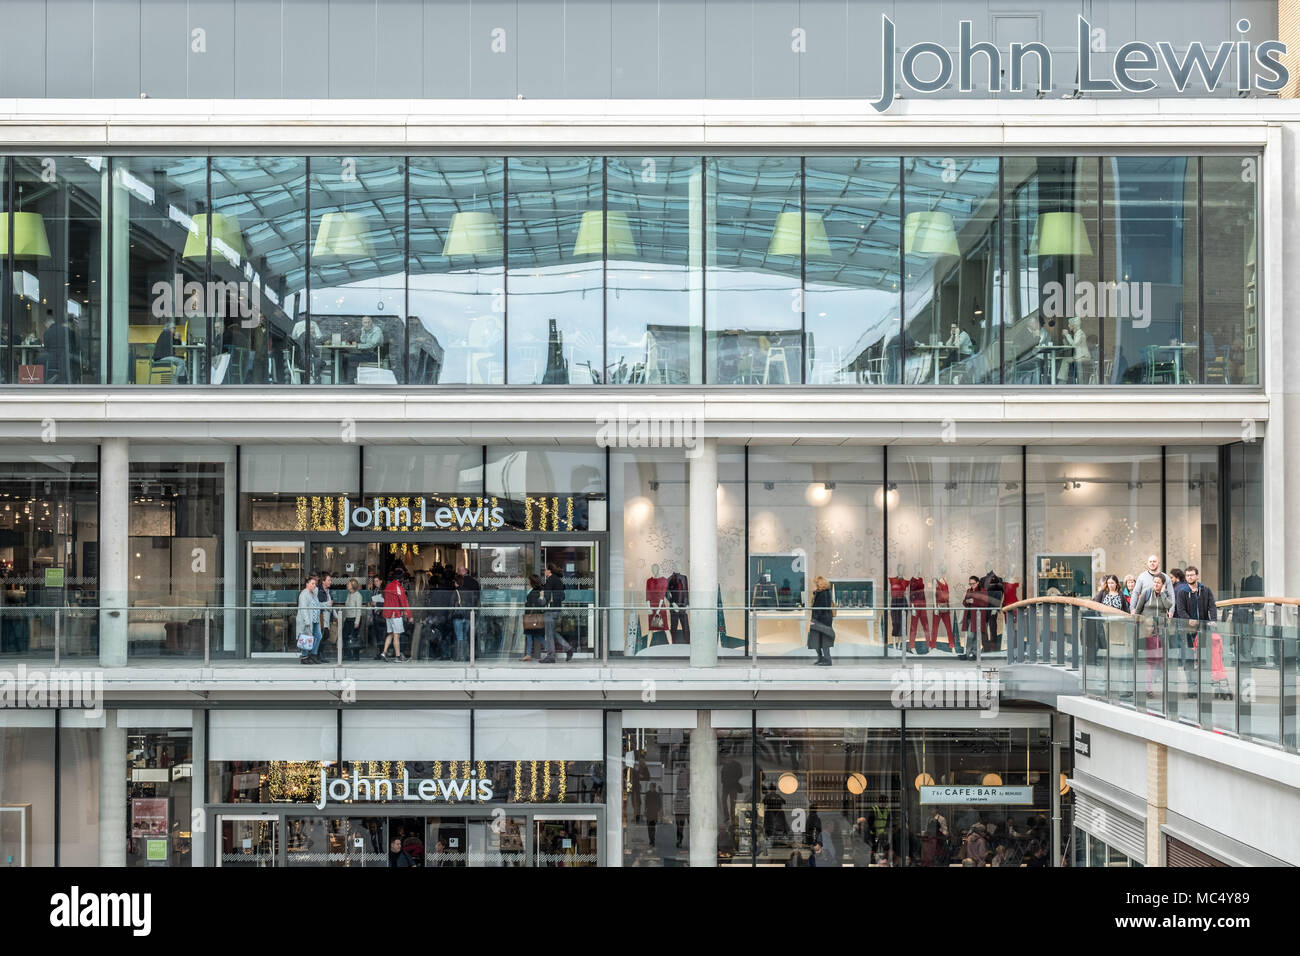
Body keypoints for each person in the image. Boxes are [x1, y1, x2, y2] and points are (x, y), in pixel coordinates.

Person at [1174, 565, 1217, 694]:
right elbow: (1180, 610)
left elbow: (1212, 606)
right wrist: (1188, 620)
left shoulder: (1205, 590)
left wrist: (1213, 619)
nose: (1189, 577)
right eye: (1187, 575)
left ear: (1197, 576)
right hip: (1187, 630)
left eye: (1192, 575)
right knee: (1189, 659)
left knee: (1203, 658)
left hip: (1203, 629)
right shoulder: (1182, 592)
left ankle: (1202, 686)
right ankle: (1191, 688)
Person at [1133, 574, 1173, 695]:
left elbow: (1169, 606)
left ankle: (1166, 688)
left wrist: (1162, 593)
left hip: (1161, 631)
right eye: (1154, 582)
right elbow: (1138, 610)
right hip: (1148, 632)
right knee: (1150, 661)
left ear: (1163, 584)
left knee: (1162, 661)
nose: (1155, 584)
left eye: (1158, 583)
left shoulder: (1164, 595)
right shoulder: (1146, 593)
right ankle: (1148, 689)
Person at [541, 563, 572, 663]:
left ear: (549, 571)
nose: (544, 571)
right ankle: (567, 648)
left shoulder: (550, 580)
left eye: (545, 570)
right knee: (552, 632)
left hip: (551, 610)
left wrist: (540, 602)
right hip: (557, 609)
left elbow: (546, 596)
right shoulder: (558, 580)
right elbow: (562, 596)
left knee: (549, 634)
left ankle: (551, 656)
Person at [381, 569, 411, 662]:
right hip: (395, 614)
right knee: (397, 635)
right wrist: (409, 615)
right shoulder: (399, 588)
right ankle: (398, 657)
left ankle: (384, 652)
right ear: (401, 578)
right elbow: (404, 602)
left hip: (387, 613)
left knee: (391, 634)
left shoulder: (388, 586)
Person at [807, 575, 835, 665]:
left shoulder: (824, 594)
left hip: (821, 620)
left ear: (820, 584)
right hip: (822, 619)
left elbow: (820, 608)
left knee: (823, 641)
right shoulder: (821, 593)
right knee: (816, 640)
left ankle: (827, 659)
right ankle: (822, 658)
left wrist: (814, 620)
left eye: (816, 583)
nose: (815, 585)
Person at [152, 316, 188, 383]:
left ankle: (181, 382)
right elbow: (176, 345)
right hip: (162, 357)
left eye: (175, 328)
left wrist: (177, 338)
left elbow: (174, 346)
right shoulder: (167, 333)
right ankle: (176, 380)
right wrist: (178, 338)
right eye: (174, 328)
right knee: (181, 362)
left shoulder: (165, 333)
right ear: (169, 328)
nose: (175, 330)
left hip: (162, 356)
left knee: (182, 361)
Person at [1060, 315, 1091, 383]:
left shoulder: (1080, 333)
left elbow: (1074, 344)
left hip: (1083, 356)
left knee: (1066, 361)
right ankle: (1062, 381)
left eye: (1069, 324)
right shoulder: (1076, 333)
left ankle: (1062, 382)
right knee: (1065, 360)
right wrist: (1065, 337)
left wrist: (1067, 335)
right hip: (1078, 356)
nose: (1068, 326)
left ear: (1074, 325)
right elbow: (1068, 345)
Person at [297, 574, 320, 664]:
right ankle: (305, 657)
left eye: (315, 584)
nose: (314, 585)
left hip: (315, 619)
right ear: (307, 584)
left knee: (318, 636)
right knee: (305, 638)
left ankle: (312, 654)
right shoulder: (304, 594)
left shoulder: (314, 593)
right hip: (308, 621)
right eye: (312, 583)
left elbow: (317, 604)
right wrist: (307, 621)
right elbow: (303, 609)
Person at [959, 574, 983, 660]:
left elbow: (985, 603)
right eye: (970, 584)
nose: (972, 585)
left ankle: (971, 653)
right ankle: (971, 653)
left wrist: (974, 601)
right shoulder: (969, 591)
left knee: (974, 636)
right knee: (971, 635)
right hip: (969, 617)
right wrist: (967, 601)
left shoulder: (982, 591)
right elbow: (964, 603)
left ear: (978, 583)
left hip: (977, 617)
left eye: (973, 583)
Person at [523, 573, 545, 661]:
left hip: (532, 616)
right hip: (532, 615)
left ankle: (550, 651)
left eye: (529, 581)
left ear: (532, 581)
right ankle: (528, 654)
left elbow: (535, 603)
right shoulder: (536, 590)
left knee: (535, 635)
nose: (528, 582)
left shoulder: (536, 591)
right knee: (532, 635)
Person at [314, 571, 334, 660]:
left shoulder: (328, 591)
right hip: (321, 616)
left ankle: (320, 654)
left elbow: (331, 605)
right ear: (323, 581)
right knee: (322, 635)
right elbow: (317, 604)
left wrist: (336, 616)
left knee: (325, 635)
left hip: (327, 616)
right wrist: (327, 604)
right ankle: (318, 654)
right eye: (329, 580)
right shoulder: (318, 590)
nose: (330, 582)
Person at [342, 578, 363, 661]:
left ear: (353, 586)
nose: (347, 585)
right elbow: (346, 607)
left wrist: (357, 621)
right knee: (345, 636)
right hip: (348, 618)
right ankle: (348, 654)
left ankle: (355, 655)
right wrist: (344, 618)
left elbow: (359, 609)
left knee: (354, 637)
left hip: (354, 619)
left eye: (349, 584)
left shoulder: (358, 595)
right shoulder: (349, 594)